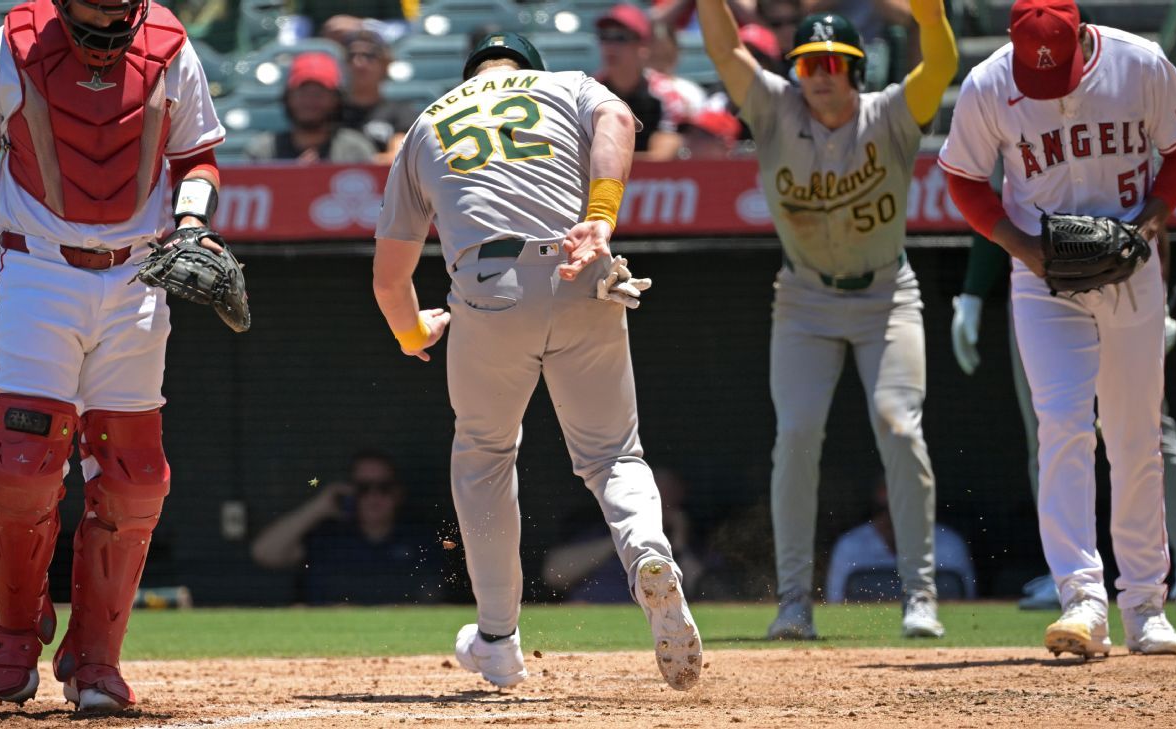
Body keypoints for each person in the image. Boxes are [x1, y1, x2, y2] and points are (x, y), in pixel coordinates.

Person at [372, 32, 701, 691]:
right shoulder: (567, 85)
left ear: (471, 76)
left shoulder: (430, 120)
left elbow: (389, 277)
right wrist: (601, 218)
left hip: (486, 290)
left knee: (485, 457)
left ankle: (497, 638)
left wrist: (412, 333)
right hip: (583, 268)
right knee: (613, 456)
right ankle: (648, 554)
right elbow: (617, 119)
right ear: (530, 68)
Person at [0, 0, 226, 711]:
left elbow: (199, 158)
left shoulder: (170, 47)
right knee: (21, 462)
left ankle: (96, 659)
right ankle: (13, 623)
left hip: (139, 272)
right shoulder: (4, 47)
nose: (107, 23)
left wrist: (192, 223)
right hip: (39, 271)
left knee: (135, 478)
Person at [696, 0, 957, 639]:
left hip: (885, 295)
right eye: (809, 63)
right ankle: (793, 603)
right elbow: (726, 52)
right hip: (806, 298)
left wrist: (931, 15)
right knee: (797, 438)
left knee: (900, 426)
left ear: (855, 70)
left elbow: (942, 65)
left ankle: (919, 594)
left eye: (833, 64)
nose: (819, 75)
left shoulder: (889, 113)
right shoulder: (777, 107)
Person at [940, 0, 1176, 657]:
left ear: (1081, 38)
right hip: (1043, 277)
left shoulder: (1141, 65)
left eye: (1060, 66)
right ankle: (1081, 598)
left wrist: (1153, 219)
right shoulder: (992, 83)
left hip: (1130, 268)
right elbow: (962, 179)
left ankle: (1146, 605)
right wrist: (1021, 247)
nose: (1049, 78)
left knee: (1135, 436)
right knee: (1064, 426)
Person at [250, 450, 442, 604]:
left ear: (398, 493)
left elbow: (434, 596)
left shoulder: (419, 539)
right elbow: (264, 553)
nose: (374, 496)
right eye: (363, 488)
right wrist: (318, 506)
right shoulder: (328, 537)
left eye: (384, 487)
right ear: (350, 492)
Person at [543, 467, 706, 602]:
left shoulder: (688, 544)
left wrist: (679, 545)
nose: (658, 506)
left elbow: (703, 591)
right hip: (588, 614)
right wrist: (624, 536)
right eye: (652, 497)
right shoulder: (604, 532)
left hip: (645, 621)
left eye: (667, 501)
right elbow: (553, 575)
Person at [825, 477, 976, 602]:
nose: (894, 517)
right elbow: (835, 603)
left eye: (905, 509)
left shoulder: (949, 544)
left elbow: (967, 603)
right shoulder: (849, 545)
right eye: (886, 509)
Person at [244, 51, 376, 163]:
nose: (310, 101)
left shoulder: (357, 151)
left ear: (336, 99)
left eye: (319, 94)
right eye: (302, 93)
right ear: (287, 97)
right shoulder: (262, 153)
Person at [593, 3, 684, 160]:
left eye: (621, 38)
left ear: (643, 47)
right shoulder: (588, 91)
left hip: (656, 182)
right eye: (605, 36)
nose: (610, 46)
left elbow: (660, 158)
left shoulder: (664, 93)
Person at [337, 29, 415, 163]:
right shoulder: (331, 111)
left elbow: (398, 157)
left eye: (369, 56)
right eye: (351, 56)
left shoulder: (400, 112)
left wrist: (358, 162)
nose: (359, 63)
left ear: (385, 64)